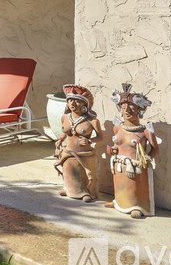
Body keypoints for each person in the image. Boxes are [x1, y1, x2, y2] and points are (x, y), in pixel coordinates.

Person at [105, 83, 159, 219]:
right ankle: (119, 203)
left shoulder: (145, 131)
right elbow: (118, 145)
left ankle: (136, 206)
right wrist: (113, 150)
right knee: (121, 187)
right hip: (119, 166)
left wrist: (146, 157)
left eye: (132, 107)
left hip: (135, 167)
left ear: (139, 110)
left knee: (134, 189)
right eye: (123, 107)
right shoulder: (117, 128)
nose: (127, 111)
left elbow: (155, 150)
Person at [54, 84, 103, 203]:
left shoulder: (92, 121)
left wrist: (89, 140)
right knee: (69, 172)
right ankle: (68, 189)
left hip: (84, 154)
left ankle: (85, 192)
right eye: (70, 100)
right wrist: (60, 139)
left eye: (77, 101)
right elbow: (67, 133)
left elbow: (100, 137)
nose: (72, 104)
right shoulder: (65, 117)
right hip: (68, 152)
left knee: (83, 175)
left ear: (84, 105)